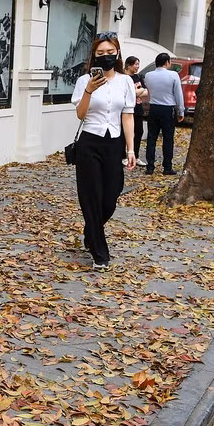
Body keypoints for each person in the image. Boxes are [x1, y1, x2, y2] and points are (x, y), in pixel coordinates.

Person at [71, 34, 137, 271]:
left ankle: (91, 232)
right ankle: (100, 252)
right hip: (89, 142)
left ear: (118, 53)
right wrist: (88, 90)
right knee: (91, 196)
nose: (106, 57)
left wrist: (131, 149)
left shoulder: (126, 82)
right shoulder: (83, 81)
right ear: (94, 56)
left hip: (114, 144)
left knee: (111, 196)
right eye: (101, 54)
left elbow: (127, 116)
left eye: (110, 52)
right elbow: (80, 114)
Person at [143, 53, 185, 175]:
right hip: (167, 109)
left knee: (151, 138)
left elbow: (149, 91)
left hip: (154, 108)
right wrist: (180, 110)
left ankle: (150, 167)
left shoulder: (148, 75)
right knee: (168, 139)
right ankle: (167, 167)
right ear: (167, 62)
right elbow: (178, 94)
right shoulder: (173, 75)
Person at [124, 56, 149, 166]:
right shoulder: (124, 77)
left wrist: (137, 91)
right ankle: (123, 156)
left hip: (138, 109)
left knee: (139, 132)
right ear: (128, 65)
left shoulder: (138, 77)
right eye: (136, 64)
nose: (138, 67)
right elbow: (126, 93)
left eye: (138, 64)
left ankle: (136, 155)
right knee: (125, 133)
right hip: (126, 110)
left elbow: (146, 92)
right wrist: (138, 91)